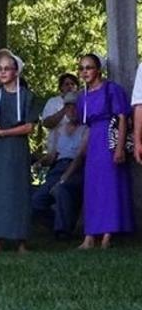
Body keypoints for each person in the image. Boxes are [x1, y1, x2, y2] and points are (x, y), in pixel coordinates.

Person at [0, 48, 37, 253]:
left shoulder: (27, 96)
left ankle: (21, 241)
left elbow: (29, 127)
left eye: (7, 69)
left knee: (18, 191)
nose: (3, 72)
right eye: (0, 69)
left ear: (16, 71)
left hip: (16, 149)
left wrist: (4, 133)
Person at [76, 52, 134, 249]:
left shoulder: (111, 89)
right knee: (93, 188)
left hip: (109, 140)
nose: (85, 72)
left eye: (89, 67)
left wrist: (119, 148)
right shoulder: (82, 96)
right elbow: (85, 124)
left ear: (98, 69)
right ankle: (90, 235)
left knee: (110, 187)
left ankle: (108, 234)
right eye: (82, 68)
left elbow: (122, 117)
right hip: (94, 142)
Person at [31, 91, 85, 238]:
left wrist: (64, 178)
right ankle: (58, 224)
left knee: (61, 190)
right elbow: (52, 155)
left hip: (76, 169)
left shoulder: (86, 129)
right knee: (36, 201)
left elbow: (79, 157)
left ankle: (63, 233)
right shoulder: (59, 131)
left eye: (74, 107)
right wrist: (39, 163)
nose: (71, 110)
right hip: (58, 168)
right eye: (68, 107)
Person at [40, 72, 79, 153]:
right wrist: (65, 109)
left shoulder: (82, 102)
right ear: (61, 87)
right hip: (56, 150)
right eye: (67, 84)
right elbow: (46, 123)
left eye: (73, 84)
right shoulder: (53, 101)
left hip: (77, 150)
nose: (70, 86)